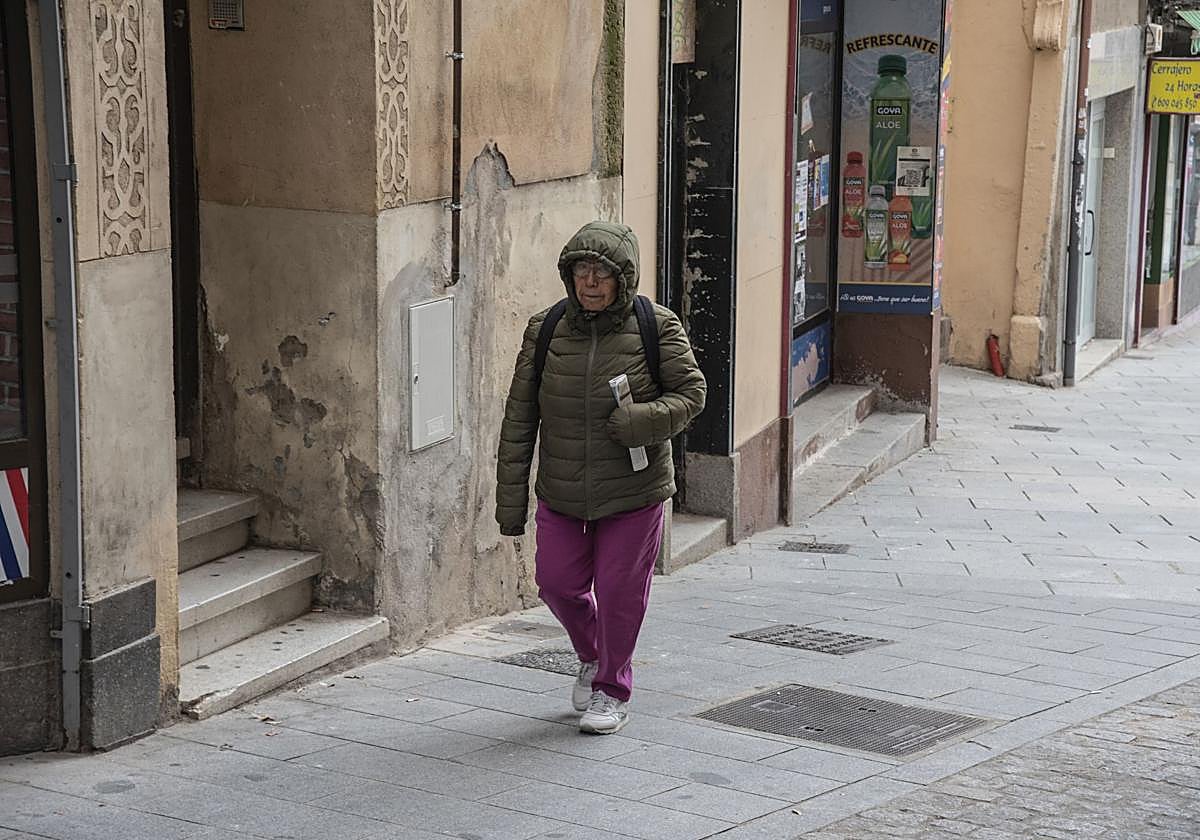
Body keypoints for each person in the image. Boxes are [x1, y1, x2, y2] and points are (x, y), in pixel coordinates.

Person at [496, 221, 706, 734]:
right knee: (556, 583)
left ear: (623, 278)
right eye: (582, 270)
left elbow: (691, 394)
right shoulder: (546, 329)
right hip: (562, 489)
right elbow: (520, 417)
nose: (590, 282)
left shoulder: (657, 325)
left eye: (602, 272)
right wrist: (510, 503)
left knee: (618, 592)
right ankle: (592, 656)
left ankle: (612, 688)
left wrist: (642, 421)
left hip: (634, 491)